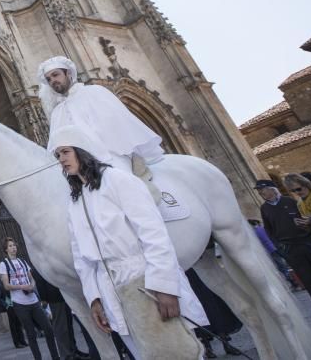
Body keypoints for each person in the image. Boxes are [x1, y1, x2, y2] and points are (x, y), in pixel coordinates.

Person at [50, 125, 207, 360]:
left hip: (146, 281)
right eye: (57, 155)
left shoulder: (118, 181)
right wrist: (94, 298)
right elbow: (81, 256)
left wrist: (165, 287)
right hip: (111, 291)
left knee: (176, 351)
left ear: (82, 150)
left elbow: (154, 234)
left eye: (65, 152)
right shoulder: (75, 202)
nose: (61, 159)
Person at [38, 56, 164, 175]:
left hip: (111, 159)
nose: (53, 80)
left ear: (68, 73)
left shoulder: (94, 92)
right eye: (49, 79)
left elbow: (118, 125)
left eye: (56, 75)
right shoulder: (57, 112)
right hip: (77, 168)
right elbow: (55, 146)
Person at [256, 178, 311, 331]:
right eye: (259, 191)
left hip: (310, 244)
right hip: (292, 250)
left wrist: (306, 226)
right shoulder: (265, 209)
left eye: (263, 189)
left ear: (272, 188)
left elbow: (310, 219)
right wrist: (281, 249)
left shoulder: (291, 201)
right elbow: (269, 231)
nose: (261, 192)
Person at [0, 238, 59, 360]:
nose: (13, 247)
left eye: (14, 245)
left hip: (33, 301)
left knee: (48, 329)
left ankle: (55, 356)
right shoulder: (3, 264)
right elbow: (6, 285)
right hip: (19, 303)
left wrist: (31, 285)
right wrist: (22, 286)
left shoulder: (22, 261)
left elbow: (32, 278)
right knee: (30, 333)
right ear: (6, 249)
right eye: (10, 246)